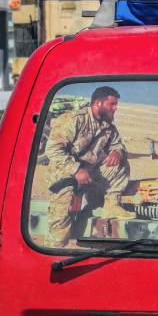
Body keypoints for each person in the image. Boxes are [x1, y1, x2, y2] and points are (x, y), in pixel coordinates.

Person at [44, 86, 132, 246]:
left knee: (120, 163)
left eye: (116, 104)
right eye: (112, 104)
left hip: (89, 174)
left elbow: (118, 144)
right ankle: (52, 254)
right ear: (98, 103)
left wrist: (117, 152)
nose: (115, 108)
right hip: (64, 176)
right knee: (60, 229)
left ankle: (112, 205)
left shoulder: (108, 127)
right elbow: (53, 149)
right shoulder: (74, 119)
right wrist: (76, 170)